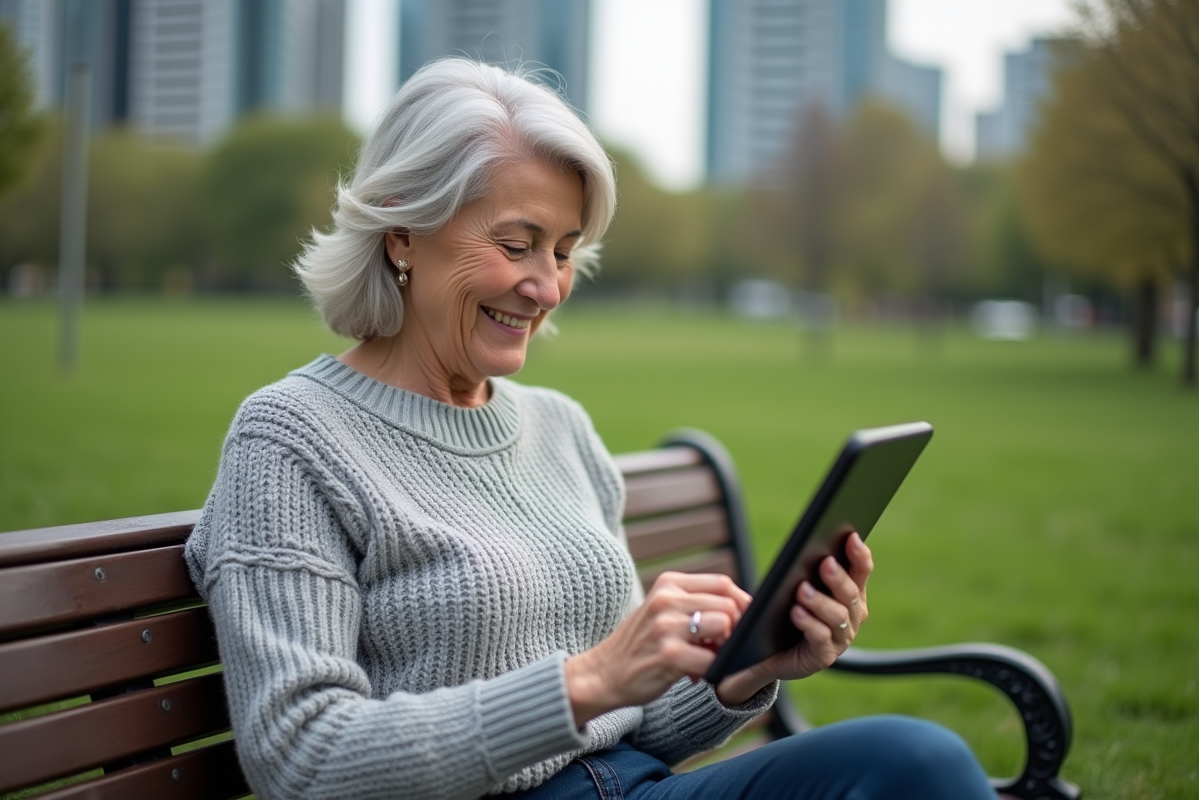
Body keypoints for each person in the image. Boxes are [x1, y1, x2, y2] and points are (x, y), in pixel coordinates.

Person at [184, 58, 995, 800]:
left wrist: (745, 675)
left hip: (625, 787)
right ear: (402, 234)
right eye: (517, 245)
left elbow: (631, 727)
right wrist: (588, 682)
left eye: (565, 252)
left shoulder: (559, 429)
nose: (546, 287)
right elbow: (299, 754)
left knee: (912, 763)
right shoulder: (291, 438)